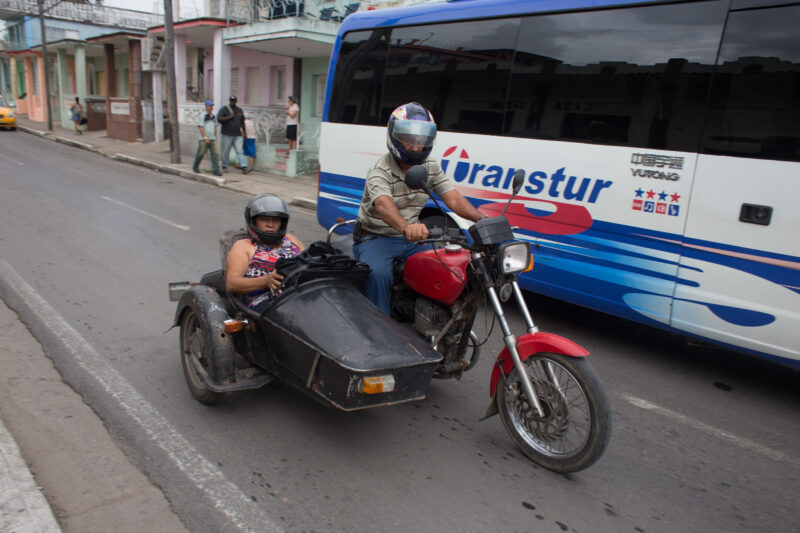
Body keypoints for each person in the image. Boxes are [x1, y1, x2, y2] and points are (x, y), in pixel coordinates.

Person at [353, 102, 486, 315]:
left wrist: (481, 219)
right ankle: (379, 330)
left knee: (450, 266)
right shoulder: (380, 169)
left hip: (412, 240)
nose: (415, 147)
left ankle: (437, 321)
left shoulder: (430, 166)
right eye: (409, 140)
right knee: (378, 275)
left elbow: (452, 198)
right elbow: (383, 204)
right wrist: (406, 226)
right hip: (377, 237)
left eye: (421, 140)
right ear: (395, 137)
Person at [226, 194, 305, 312]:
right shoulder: (243, 246)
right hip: (264, 302)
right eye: (264, 219)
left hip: (299, 294)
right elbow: (232, 284)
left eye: (276, 220)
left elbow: (308, 261)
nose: (270, 224)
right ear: (254, 221)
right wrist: (266, 281)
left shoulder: (291, 239)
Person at [217, 95, 251, 174]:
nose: (233, 101)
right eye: (231, 100)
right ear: (229, 101)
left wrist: (245, 134)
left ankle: (244, 166)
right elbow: (219, 119)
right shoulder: (224, 109)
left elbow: (242, 123)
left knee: (240, 151)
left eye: (234, 100)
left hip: (238, 135)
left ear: (236, 101)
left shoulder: (239, 110)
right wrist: (229, 117)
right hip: (227, 134)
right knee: (226, 151)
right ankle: (224, 166)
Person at [192, 100, 222, 176]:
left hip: (212, 138)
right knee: (201, 153)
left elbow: (215, 127)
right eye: (209, 105)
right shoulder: (203, 116)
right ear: (206, 106)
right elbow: (201, 127)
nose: (211, 107)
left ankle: (216, 170)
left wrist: (215, 136)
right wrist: (205, 137)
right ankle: (195, 167)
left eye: (212, 106)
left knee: (215, 154)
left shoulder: (214, 116)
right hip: (204, 139)